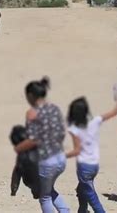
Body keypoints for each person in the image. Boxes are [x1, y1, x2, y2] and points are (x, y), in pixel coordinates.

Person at [14, 77, 69, 213]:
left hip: (47, 161)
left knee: (44, 197)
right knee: (49, 190)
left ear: (31, 96)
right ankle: (65, 211)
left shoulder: (32, 112)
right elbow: (61, 133)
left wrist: (19, 148)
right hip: (60, 159)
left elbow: (33, 139)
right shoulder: (55, 109)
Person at [66, 92, 117, 213]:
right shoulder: (95, 121)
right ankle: (82, 210)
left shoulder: (74, 129)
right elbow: (115, 112)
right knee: (81, 189)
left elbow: (77, 150)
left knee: (91, 196)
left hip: (84, 167)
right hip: (94, 166)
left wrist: (62, 155)